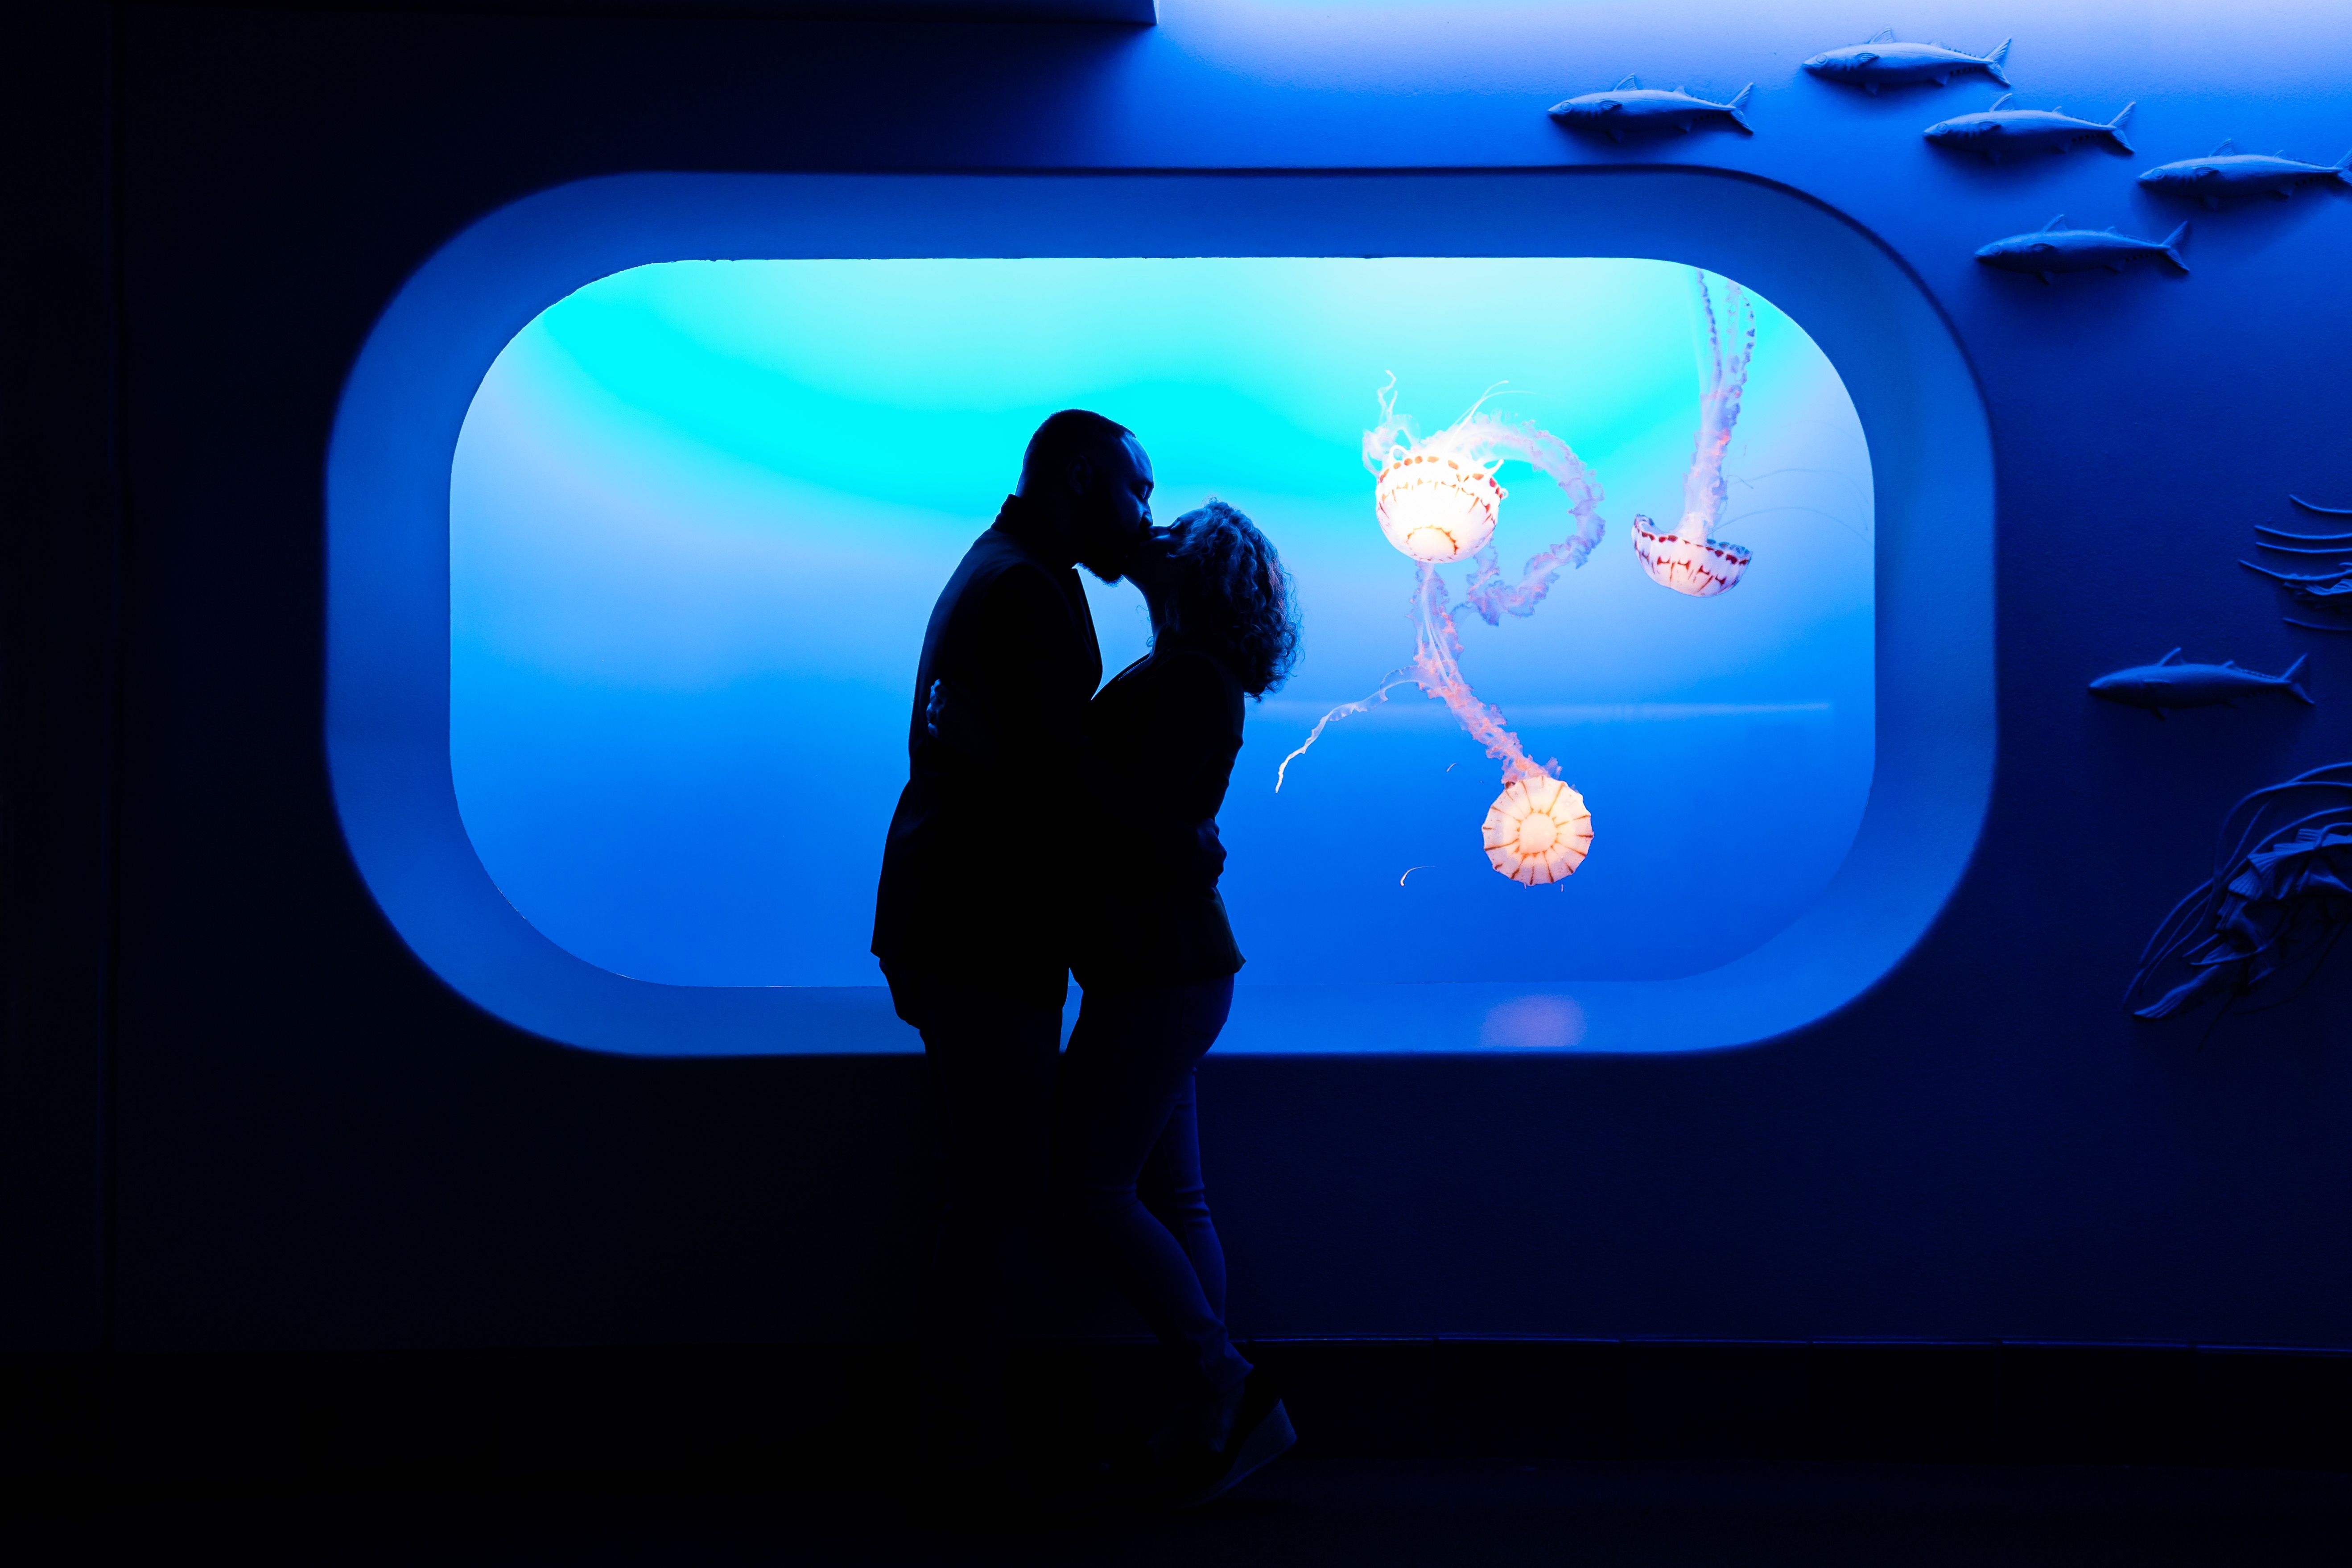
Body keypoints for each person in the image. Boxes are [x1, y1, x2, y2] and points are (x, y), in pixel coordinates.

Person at [871, 411, 1221, 1503]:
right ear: (1084, 480)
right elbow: (1061, 776)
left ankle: (968, 1442)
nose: (1147, 520)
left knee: (997, 1185)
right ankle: (964, 1456)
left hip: (971, 920)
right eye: (1138, 493)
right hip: (982, 927)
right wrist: (1183, 843)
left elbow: (1028, 763)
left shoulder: (1010, 572)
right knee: (994, 1192)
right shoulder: (1028, 588)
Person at [1056, 499, 1301, 1507]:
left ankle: (1225, 1384)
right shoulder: (1201, 679)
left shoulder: (1187, 681)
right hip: (1172, 967)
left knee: (1085, 1186)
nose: (1145, 545)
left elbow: (1137, 819)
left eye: (1169, 541)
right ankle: (1198, 1422)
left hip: (1162, 968)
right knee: (1174, 1196)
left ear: (1193, 578)